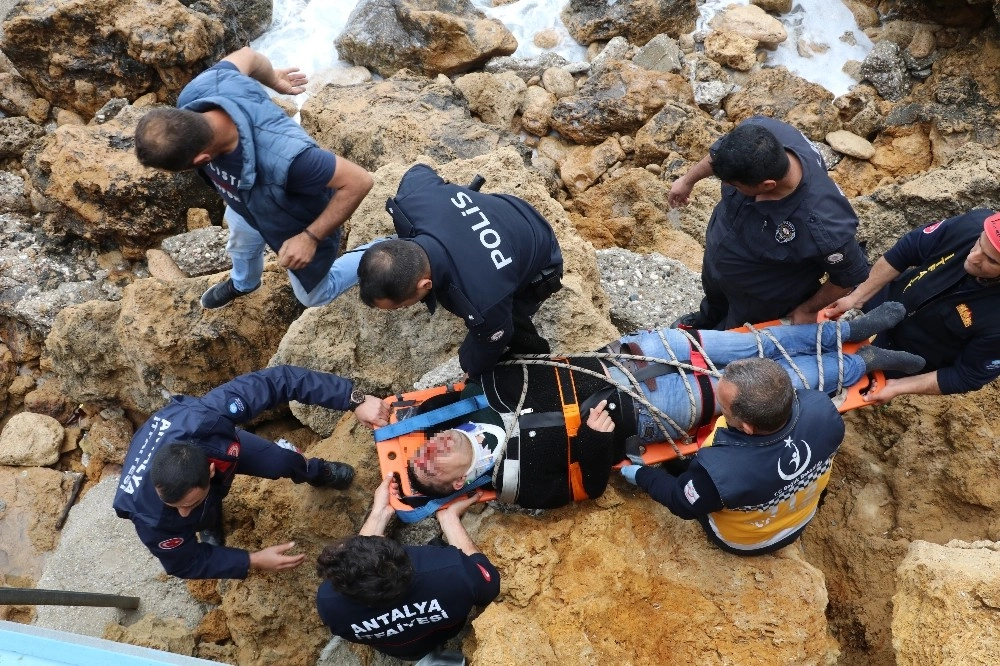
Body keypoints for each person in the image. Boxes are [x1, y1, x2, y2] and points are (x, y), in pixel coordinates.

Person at [403, 303, 923, 509]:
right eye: (429, 465)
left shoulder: (464, 406)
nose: (428, 450)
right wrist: (594, 439)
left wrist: (419, 414)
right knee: (769, 381)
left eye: (420, 450)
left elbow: (502, 363)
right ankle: (861, 362)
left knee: (747, 345)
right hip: (651, 409)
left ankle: (842, 331)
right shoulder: (518, 484)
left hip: (631, 356)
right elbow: (590, 486)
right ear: (456, 485)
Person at [134, 47, 375, 310]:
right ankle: (244, 283)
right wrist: (274, 80)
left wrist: (310, 238)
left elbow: (359, 180)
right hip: (245, 204)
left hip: (296, 220)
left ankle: (378, 250)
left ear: (203, 159)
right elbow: (247, 55)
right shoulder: (200, 91)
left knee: (314, 296)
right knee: (240, 248)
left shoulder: (289, 159)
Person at [113, 366, 390, 579]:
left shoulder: (206, 418)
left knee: (282, 461)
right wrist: (251, 560)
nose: (183, 513)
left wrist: (353, 399)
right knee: (195, 517)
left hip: (217, 448)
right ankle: (208, 520)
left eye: (190, 504)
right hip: (195, 471)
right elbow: (184, 562)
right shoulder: (150, 516)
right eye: (176, 506)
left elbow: (280, 380)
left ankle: (316, 472)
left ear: (210, 471)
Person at [357, 164, 563, 378]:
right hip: (510, 212)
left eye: (399, 306)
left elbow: (494, 338)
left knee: (503, 328)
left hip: (543, 256)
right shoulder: (415, 197)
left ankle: (535, 360)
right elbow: (418, 170)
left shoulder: (483, 299)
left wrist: (471, 368)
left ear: (425, 284)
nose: (402, 308)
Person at [621, 358, 843, 555]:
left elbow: (682, 503)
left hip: (750, 540)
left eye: (723, 408)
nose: (720, 410)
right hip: (800, 517)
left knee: (678, 469)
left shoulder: (722, 473)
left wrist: (643, 475)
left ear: (747, 427)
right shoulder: (822, 409)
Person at [668, 116, 869, 329]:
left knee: (734, 333)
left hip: (760, 296)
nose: (727, 185)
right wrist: (687, 181)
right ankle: (707, 318)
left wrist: (809, 309)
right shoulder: (759, 134)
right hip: (721, 257)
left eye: (734, 185)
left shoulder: (823, 222)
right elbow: (718, 157)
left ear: (767, 185)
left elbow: (850, 273)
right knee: (715, 298)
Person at [316, 474, 499, 665]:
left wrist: (380, 513)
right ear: (406, 556)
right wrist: (449, 520)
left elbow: (360, 569)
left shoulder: (330, 604)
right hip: (445, 629)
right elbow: (489, 585)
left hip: (404, 649)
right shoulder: (451, 571)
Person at [824, 209, 1000, 403]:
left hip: (906, 357)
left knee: (829, 385)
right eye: (980, 242)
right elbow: (909, 249)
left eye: (991, 260)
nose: (973, 256)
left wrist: (897, 388)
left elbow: (967, 375)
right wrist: (858, 296)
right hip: (889, 301)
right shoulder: (973, 225)